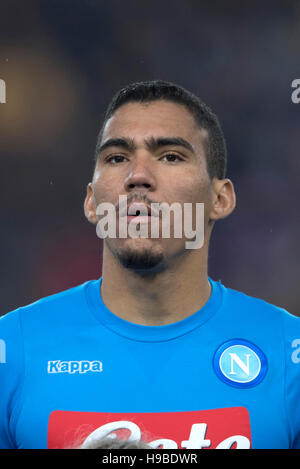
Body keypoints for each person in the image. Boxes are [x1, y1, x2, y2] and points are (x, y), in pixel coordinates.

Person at [0, 80, 299, 449]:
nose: (137, 176)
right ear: (92, 202)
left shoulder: (290, 355)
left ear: (219, 198)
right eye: (117, 158)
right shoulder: (12, 350)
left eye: (170, 156)